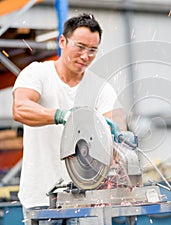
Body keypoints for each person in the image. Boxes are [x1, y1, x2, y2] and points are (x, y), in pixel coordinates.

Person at [12, 13, 125, 225]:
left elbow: (117, 132)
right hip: (42, 197)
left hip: (88, 200)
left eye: (92, 50)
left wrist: (114, 135)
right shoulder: (38, 73)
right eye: (80, 47)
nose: (85, 56)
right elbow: (20, 108)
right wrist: (62, 116)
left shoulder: (100, 88)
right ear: (62, 41)